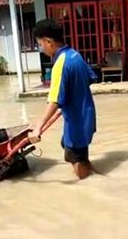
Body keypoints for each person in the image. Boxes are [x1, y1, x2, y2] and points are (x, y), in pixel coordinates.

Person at [29, 19, 97, 179]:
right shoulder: (75, 55)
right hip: (87, 116)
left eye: (40, 44)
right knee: (80, 155)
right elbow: (91, 77)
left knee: (75, 158)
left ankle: (89, 190)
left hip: (76, 123)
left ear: (49, 41)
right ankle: (95, 176)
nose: (41, 48)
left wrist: (38, 126)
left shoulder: (60, 64)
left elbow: (54, 100)